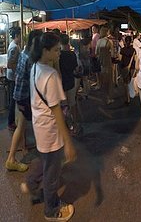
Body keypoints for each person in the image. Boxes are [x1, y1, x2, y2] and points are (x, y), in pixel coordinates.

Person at [23, 32, 76, 221]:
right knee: (52, 173)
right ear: (45, 51)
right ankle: (51, 209)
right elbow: (56, 111)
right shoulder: (51, 75)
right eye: (55, 50)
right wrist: (68, 142)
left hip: (40, 125)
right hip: (50, 129)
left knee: (45, 159)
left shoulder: (35, 67)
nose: (59, 53)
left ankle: (30, 183)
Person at [6, 30, 43, 172]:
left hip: (19, 93)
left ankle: (16, 155)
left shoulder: (24, 53)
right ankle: (13, 159)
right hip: (25, 95)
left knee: (21, 125)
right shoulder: (29, 58)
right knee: (26, 125)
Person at [59, 34, 80, 132]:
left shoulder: (58, 56)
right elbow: (75, 69)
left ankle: (66, 126)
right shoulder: (72, 54)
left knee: (63, 106)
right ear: (68, 42)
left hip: (61, 84)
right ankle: (74, 125)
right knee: (72, 104)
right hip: (71, 82)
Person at [6, 27, 22, 131]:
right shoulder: (14, 47)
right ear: (17, 36)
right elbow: (9, 64)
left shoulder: (15, 46)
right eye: (20, 35)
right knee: (13, 100)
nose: (21, 37)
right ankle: (10, 122)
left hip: (13, 76)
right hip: (13, 77)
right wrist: (17, 72)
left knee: (13, 99)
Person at [95, 26, 114, 105]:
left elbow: (96, 53)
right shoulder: (109, 42)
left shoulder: (98, 41)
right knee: (109, 80)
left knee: (103, 80)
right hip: (108, 62)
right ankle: (109, 98)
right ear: (107, 33)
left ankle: (104, 97)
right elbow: (112, 54)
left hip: (101, 63)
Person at [120, 36, 137, 104]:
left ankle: (127, 98)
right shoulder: (133, 50)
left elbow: (120, 59)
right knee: (131, 82)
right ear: (131, 42)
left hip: (125, 67)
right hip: (132, 67)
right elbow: (135, 59)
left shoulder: (122, 50)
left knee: (125, 83)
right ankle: (132, 93)